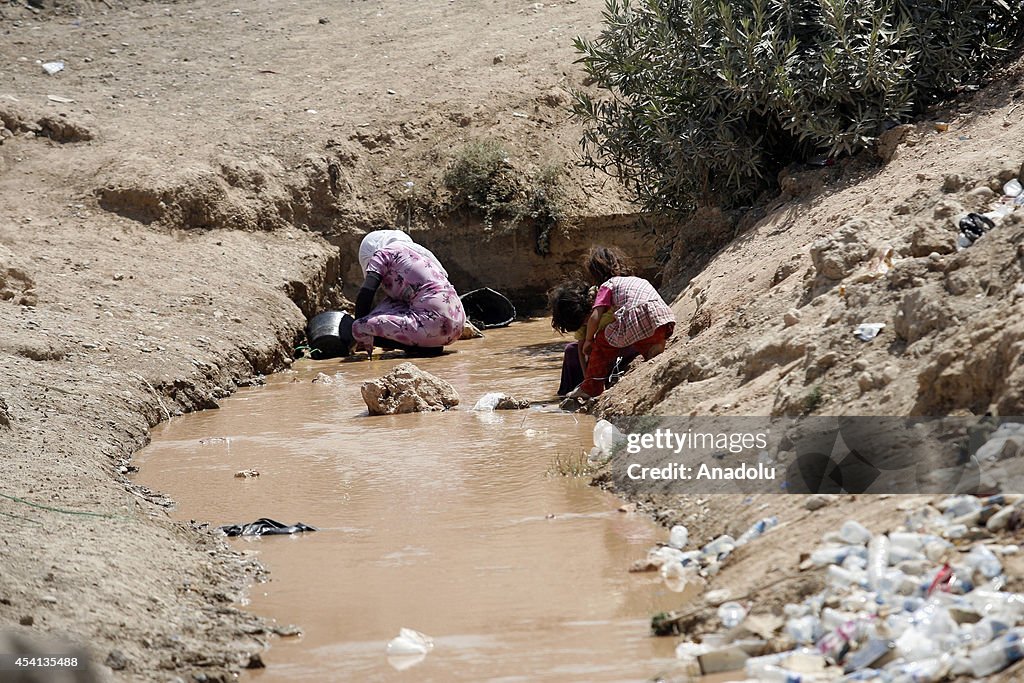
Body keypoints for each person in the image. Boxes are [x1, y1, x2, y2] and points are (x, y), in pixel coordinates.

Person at [351, 230, 466, 356]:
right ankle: (429, 346)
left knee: (358, 327)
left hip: (433, 325)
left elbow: (367, 291)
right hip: (458, 325)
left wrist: (359, 327)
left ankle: (416, 346)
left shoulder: (383, 254)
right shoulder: (418, 254)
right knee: (391, 303)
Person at [567, 273, 675, 401]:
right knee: (636, 332)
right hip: (662, 318)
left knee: (601, 342)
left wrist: (589, 340)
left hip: (636, 317)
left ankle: (591, 387)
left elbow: (594, 317)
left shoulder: (606, 287)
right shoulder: (637, 280)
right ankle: (653, 348)